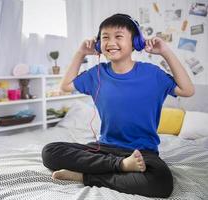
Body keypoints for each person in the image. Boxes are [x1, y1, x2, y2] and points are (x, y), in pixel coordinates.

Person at [41, 13, 194, 198]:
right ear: (99, 44)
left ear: (135, 43)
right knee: (50, 152)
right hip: (105, 150)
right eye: (105, 37)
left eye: (118, 36)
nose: (110, 42)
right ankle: (120, 166)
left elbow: (187, 90)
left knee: (161, 182)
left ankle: (85, 176)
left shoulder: (153, 74)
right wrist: (81, 52)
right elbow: (65, 86)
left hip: (142, 153)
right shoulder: (97, 74)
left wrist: (165, 51)